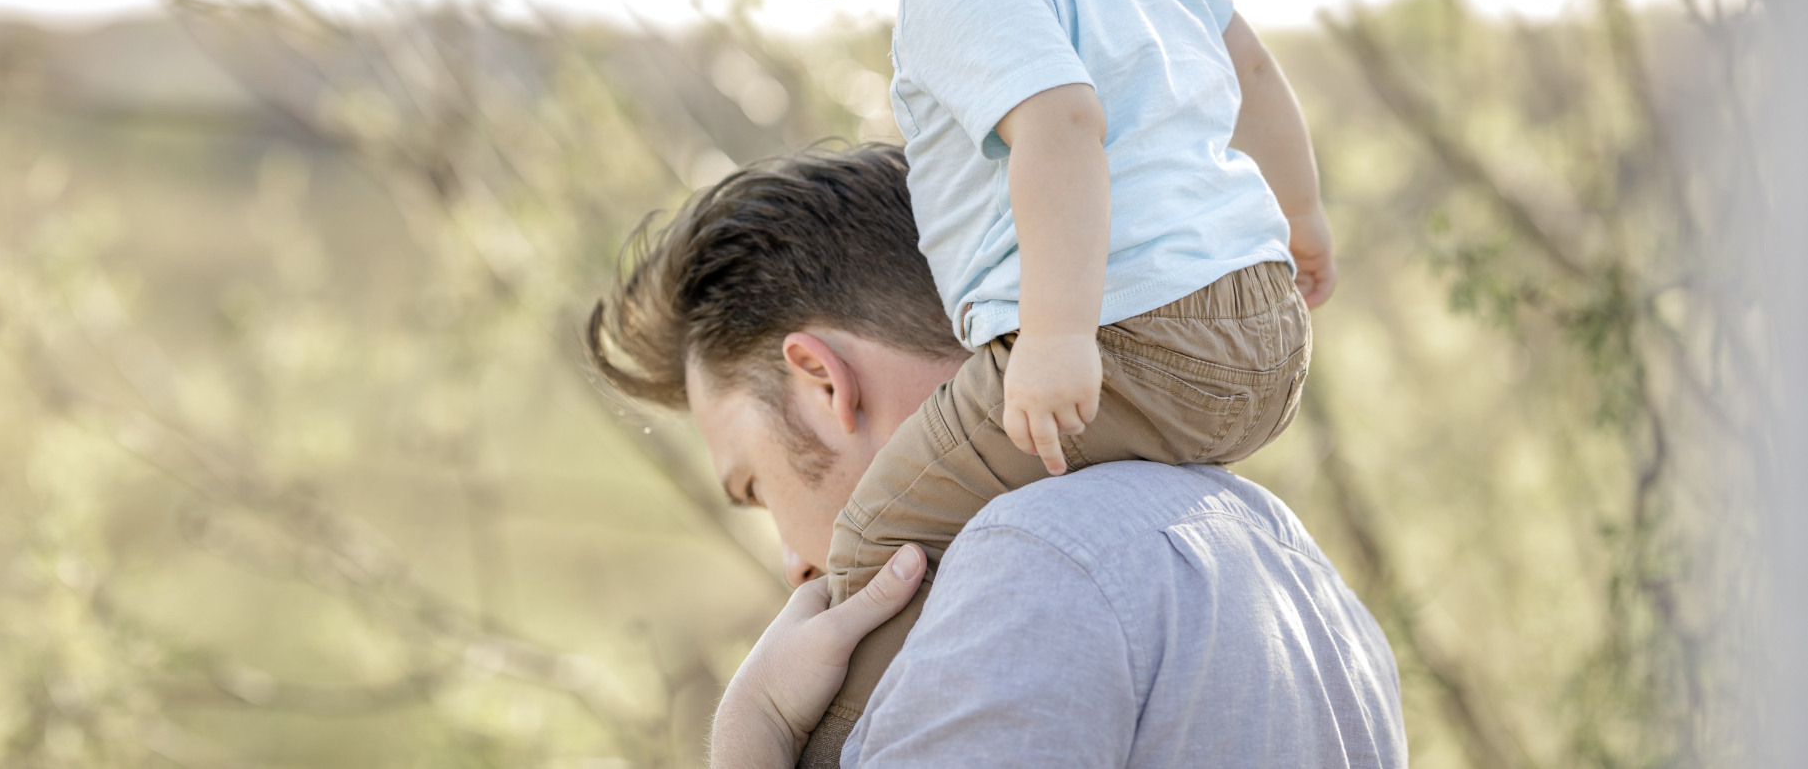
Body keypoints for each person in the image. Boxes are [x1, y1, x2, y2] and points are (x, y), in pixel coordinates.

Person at [621, 0, 1338, 748]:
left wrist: (1053, 340)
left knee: (870, 562)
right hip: (1257, 324)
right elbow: (1246, 62)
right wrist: (1298, 224)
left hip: (1134, 333)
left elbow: (1058, 124)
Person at [587, 146, 1404, 768]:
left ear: (821, 383)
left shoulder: (1023, 567)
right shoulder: (1277, 547)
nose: (794, 564)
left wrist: (751, 729)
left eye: (756, 487)